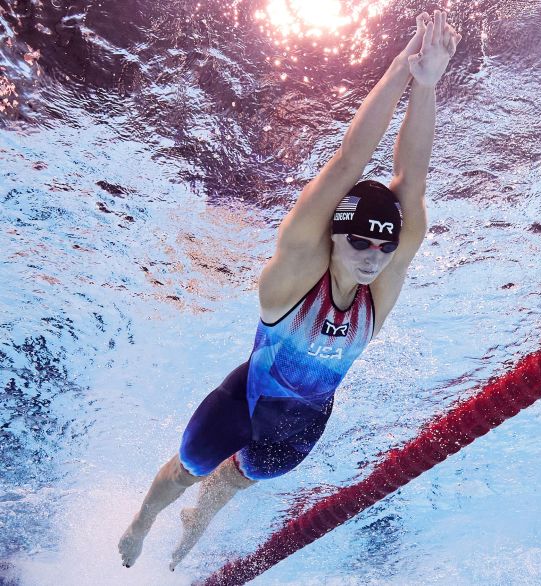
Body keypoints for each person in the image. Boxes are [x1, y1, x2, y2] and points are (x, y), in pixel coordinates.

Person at [117, 11, 462, 570]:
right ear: (333, 238)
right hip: (244, 406)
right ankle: (143, 520)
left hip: (302, 426)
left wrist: (429, 86)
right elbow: (348, 163)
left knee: (231, 484)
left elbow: (411, 184)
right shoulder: (295, 279)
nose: (375, 259)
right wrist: (403, 70)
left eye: (384, 249)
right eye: (360, 245)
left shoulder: (380, 292)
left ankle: (194, 526)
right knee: (191, 465)